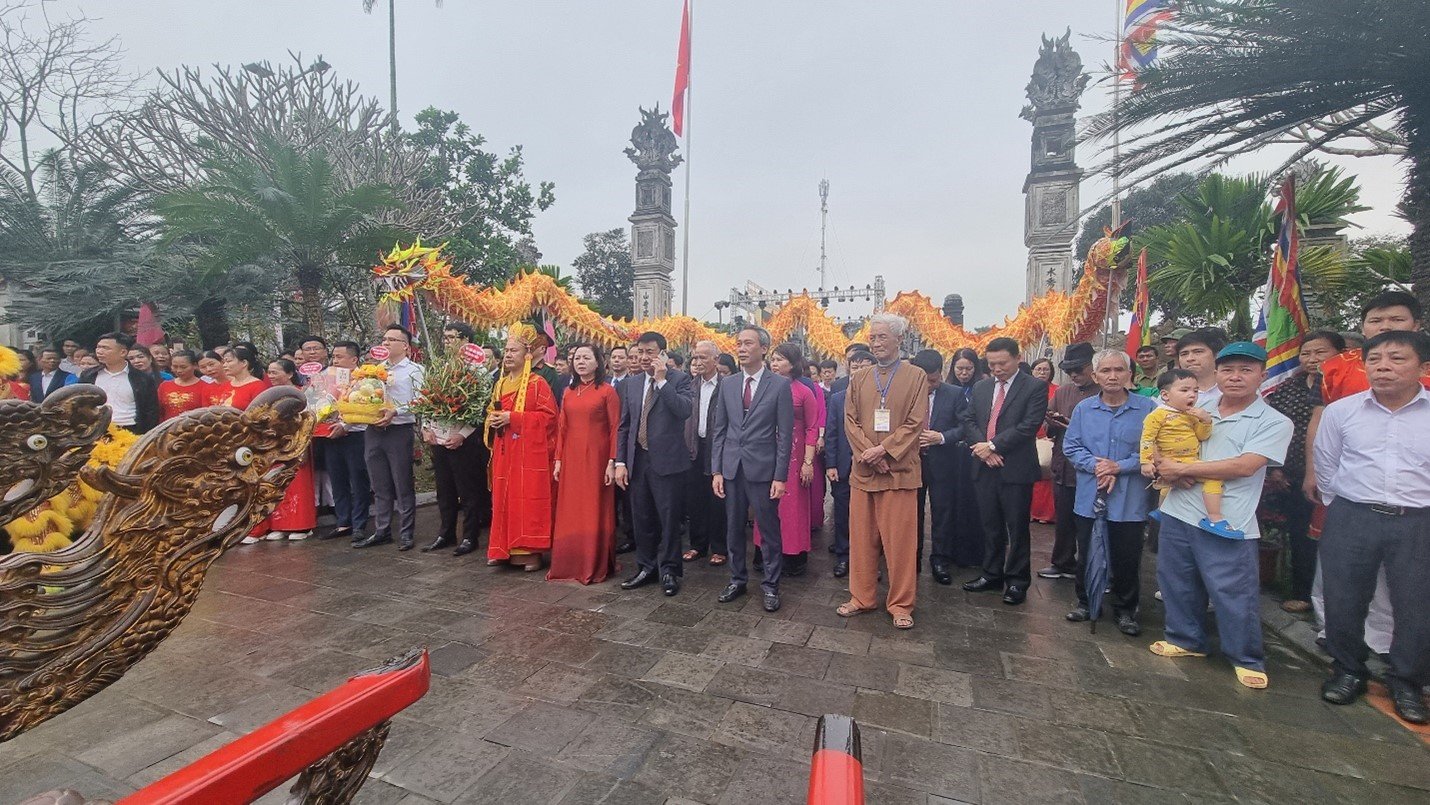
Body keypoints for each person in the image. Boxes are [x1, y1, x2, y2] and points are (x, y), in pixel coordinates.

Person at [1150, 341, 1292, 690]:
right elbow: (1159, 437)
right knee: (1177, 580)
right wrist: (1160, 464)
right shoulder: (1197, 405)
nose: (1235, 377)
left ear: (1262, 375)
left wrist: (1186, 469)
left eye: (1245, 370)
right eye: (1228, 370)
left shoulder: (1273, 421)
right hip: (1179, 508)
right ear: (1217, 373)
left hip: (1226, 520)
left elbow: (1245, 466)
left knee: (1232, 590)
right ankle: (1186, 639)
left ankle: (1245, 656)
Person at [1303, 291, 1430, 676]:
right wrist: (1340, 500)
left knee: (1415, 601)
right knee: (1345, 596)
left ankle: (1406, 680)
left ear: (1421, 365)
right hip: (1353, 513)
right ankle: (1347, 670)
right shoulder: (1342, 410)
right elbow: (1326, 461)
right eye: (1374, 359)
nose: (1383, 367)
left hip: (1417, 518)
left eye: (1396, 358)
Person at [833, 314, 927, 629]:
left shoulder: (916, 376)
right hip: (864, 471)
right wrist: (870, 455)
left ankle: (901, 604)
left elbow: (915, 423)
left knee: (900, 543)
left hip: (899, 472)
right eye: (873, 337)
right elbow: (850, 421)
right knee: (861, 539)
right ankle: (862, 597)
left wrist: (885, 450)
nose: (875, 343)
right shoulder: (859, 378)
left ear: (899, 339)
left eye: (882, 337)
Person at [1062, 350, 1157, 634]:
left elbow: (1152, 450)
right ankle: (1084, 602)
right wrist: (1098, 466)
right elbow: (1072, 446)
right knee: (1087, 550)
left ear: (1130, 375)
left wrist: (1119, 467)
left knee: (1127, 556)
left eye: (1119, 370)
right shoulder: (1084, 409)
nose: (1112, 376)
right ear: (1095, 376)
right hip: (1091, 493)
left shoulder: (1148, 409)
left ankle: (1125, 609)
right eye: (1105, 371)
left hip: (1130, 497)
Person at [960, 337, 1048, 605]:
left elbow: (1029, 425)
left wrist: (994, 446)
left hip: (1015, 467)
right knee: (990, 524)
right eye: (991, 363)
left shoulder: (1033, 387)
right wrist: (983, 450)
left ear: (1017, 358)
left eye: (1002, 363)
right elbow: (969, 419)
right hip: (984, 466)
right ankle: (991, 573)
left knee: (1017, 527)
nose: (997, 368)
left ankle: (1017, 581)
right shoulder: (982, 387)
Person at [712, 325, 794, 612]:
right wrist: (717, 470)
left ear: (763, 348)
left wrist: (780, 476)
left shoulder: (780, 385)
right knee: (733, 527)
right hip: (732, 468)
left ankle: (771, 585)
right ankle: (737, 578)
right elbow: (719, 429)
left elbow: (785, 434)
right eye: (739, 343)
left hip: (763, 469)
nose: (742, 348)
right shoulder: (729, 383)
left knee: (768, 529)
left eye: (748, 343)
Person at [1262, 330, 1343, 613]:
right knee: (1300, 534)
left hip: (1338, 476)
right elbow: (1273, 428)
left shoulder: (1347, 387)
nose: (1312, 359)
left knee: (1336, 540)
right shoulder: (1288, 388)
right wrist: (1276, 469)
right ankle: (1302, 592)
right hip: (1292, 473)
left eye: (1320, 352)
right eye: (1306, 353)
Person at [615, 331, 695, 595]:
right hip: (639, 460)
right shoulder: (632, 383)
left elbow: (684, 410)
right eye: (640, 352)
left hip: (668, 461)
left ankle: (670, 570)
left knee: (669, 519)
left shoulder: (680, 379)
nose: (644, 357)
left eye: (650, 352)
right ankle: (646, 567)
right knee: (642, 517)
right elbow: (625, 426)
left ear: (662, 353)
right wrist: (621, 462)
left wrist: (662, 382)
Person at [485, 324, 558, 570]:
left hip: (529, 454)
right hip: (505, 451)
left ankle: (528, 551)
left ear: (527, 354)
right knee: (503, 497)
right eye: (506, 350)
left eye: (513, 350)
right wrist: (494, 420)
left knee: (526, 498)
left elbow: (549, 418)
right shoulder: (500, 384)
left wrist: (513, 419)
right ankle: (501, 548)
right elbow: (492, 412)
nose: (507, 355)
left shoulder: (538, 383)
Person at [549, 343, 621, 584]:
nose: (580, 362)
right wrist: (558, 459)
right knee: (571, 509)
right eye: (577, 358)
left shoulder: (607, 391)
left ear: (598, 362)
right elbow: (562, 428)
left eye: (586, 358)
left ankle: (593, 563)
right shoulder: (568, 392)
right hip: (571, 457)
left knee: (593, 508)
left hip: (597, 458)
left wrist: (612, 461)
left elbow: (615, 429)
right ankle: (569, 561)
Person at [421, 323, 493, 556]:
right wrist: (426, 428)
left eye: (453, 337)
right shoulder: (440, 367)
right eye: (446, 337)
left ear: (466, 341)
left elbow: (480, 409)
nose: (448, 341)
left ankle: (470, 536)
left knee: (469, 490)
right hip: (439, 439)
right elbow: (428, 401)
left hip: (465, 440)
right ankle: (446, 533)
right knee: (444, 489)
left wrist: (461, 435)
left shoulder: (478, 371)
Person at [1141, 369, 1238, 536]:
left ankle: (1161, 510)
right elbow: (1147, 439)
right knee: (1214, 477)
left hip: (1189, 458)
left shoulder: (1192, 414)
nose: (1192, 395)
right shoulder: (1157, 415)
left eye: (1195, 391)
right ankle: (1214, 518)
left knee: (1168, 486)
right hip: (1172, 460)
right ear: (1165, 395)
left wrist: (1206, 421)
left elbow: (1202, 435)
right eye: (1184, 390)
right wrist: (1146, 462)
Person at [353, 326, 425, 552]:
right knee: (379, 483)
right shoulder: (373, 370)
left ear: (405, 345)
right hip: (374, 431)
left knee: (402, 482)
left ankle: (406, 532)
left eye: (391, 340)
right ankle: (382, 529)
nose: (385, 343)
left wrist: (397, 411)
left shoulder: (415, 370)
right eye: (384, 339)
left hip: (399, 430)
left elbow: (421, 401)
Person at [754, 343, 819, 577]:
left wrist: (808, 462)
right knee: (766, 503)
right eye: (773, 358)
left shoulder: (803, 391)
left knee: (793, 507)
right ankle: (764, 552)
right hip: (767, 452)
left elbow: (812, 428)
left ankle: (794, 556)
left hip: (795, 456)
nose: (774, 363)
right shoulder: (763, 388)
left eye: (780, 359)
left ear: (793, 364)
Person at [1039, 343, 1097, 580]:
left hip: (1091, 466)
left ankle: (1090, 566)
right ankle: (1062, 561)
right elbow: (1046, 426)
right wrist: (1053, 422)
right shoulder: (1062, 392)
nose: (1074, 375)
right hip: (1063, 464)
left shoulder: (1103, 392)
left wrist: (1073, 423)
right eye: (1070, 370)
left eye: (1079, 370)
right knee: (1063, 518)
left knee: (1090, 522)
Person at [911, 349, 968, 586]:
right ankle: (911, 557)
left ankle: (940, 559)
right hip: (912, 462)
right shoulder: (906, 392)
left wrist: (941, 437)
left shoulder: (954, 394)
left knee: (942, 511)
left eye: (933, 380)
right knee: (911, 512)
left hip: (943, 461)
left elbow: (965, 425)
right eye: (923, 381)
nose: (928, 386)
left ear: (941, 373)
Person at [256, 357, 317, 541]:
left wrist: (303, 444)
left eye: (275, 372)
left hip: (297, 443)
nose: (271, 375)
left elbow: (308, 420)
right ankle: (281, 525)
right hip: (276, 445)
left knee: (298, 483)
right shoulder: (270, 395)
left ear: (290, 374)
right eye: (270, 371)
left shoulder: (303, 393)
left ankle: (302, 526)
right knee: (278, 484)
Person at [683, 340, 727, 566]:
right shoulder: (688, 385)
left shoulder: (727, 386)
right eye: (695, 358)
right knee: (695, 498)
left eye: (703, 358)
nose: (698, 362)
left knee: (717, 498)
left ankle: (719, 547)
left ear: (716, 360)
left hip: (718, 449)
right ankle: (697, 545)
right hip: (694, 448)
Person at [322, 341, 372, 543]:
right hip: (330, 433)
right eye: (334, 356)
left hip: (356, 434)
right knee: (337, 479)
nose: (336, 360)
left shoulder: (366, 379)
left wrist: (346, 425)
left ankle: (360, 524)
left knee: (358, 480)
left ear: (354, 359)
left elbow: (366, 407)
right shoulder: (327, 376)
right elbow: (319, 401)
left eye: (340, 357)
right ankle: (343, 522)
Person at [943, 349, 985, 568]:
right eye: (959, 369)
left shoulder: (982, 388)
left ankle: (973, 551)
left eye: (968, 368)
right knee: (952, 501)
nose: (964, 373)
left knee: (973, 502)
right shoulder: (947, 389)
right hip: (953, 453)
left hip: (976, 450)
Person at [80, 332, 160, 434]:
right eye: (98, 347)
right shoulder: (88, 376)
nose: (99, 351)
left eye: (106, 348)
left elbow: (151, 411)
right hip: (96, 429)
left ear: (123, 352)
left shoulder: (142, 378)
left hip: (130, 430)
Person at [824, 380, 853, 578]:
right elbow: (831, 433)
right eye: (855, 366)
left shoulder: (880, 396)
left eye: (864, 366)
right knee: (842, 513)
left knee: (869, 517)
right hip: (842, 466)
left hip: (872, 466)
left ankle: (868, 560)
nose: (859, 370)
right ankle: (843, 555)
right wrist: (831, 464)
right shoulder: (837, 398)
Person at [1028, 357, 1058, 524]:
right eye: (1038, 369)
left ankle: (1047, 514)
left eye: (1045, 369)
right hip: (1029, 438)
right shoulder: (1024, 390)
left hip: (1049, 439)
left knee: (1047, 476)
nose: (1042, 372)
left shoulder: (1057, 391)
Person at [1176, 329, 1227, 407]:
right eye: (1184, 354)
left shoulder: (1232, 388)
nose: (1190, 358)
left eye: (1198, 352)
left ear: (1216, 355)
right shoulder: (1171, 392)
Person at [157, 350, 207, 420]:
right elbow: (159, 411)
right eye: (175, 367)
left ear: (195, 365)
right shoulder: (164, 386)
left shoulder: (205, 387)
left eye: (183, 367)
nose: (179, 370)